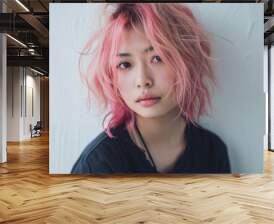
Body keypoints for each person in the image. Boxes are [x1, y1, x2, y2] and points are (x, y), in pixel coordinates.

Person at [71, 3, 230, 174]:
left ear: (186, 62)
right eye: (125, 64)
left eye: (157, 58)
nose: (142, 80)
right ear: (111, 76)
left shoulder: (213, 151)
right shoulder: (97, 164)